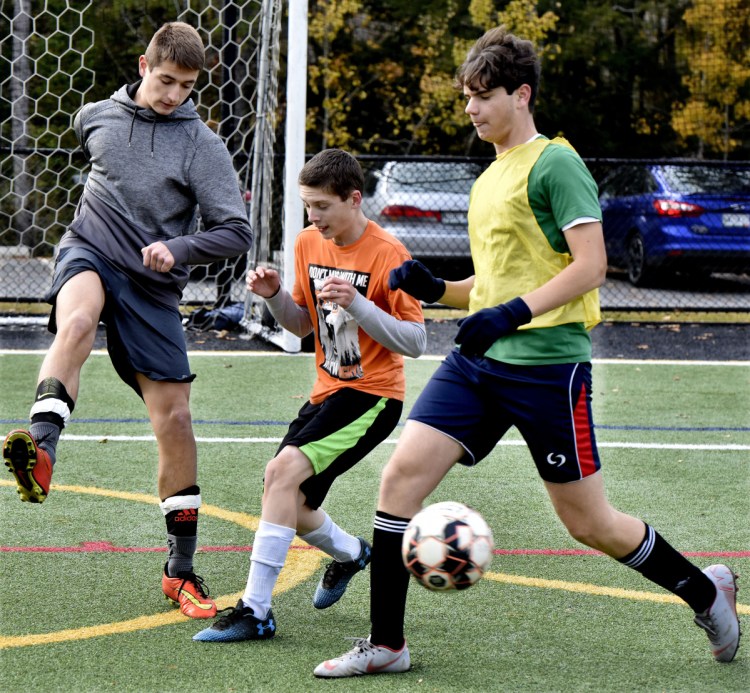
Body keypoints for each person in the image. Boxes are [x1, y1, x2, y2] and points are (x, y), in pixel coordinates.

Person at [314, 27, 741, 677]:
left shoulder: (556, 163)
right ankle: (388, 644)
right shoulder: (489, 178)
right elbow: (490, 286)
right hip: (478, 366)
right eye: (465, 98)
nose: (471, 109)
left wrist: (510, 313)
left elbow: (592, 266)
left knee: (589, 522)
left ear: (522, 94)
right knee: (399, 478)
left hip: (549, 368)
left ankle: (706, 591)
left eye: (483, 96)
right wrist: (440, 290)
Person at [2, 22, 253, 620]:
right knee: (79, 322)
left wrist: (180, 249)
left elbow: (236, 231)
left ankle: (181, 572)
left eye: (186, 86)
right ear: (144, 66)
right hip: (89, 250)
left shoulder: (202, 145)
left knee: (176, 418)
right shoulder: (96, 117)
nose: (174, 95)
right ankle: (40, 450)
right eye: (166, 80)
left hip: (153, 286)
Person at [192, 148, 426, 643]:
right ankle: (350, 554)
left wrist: (359, 303)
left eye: (322, 206)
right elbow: (302, 325)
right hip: (326, 391)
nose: (312, 217)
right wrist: (275, 294)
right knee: (286, 500)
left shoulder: (389, 254)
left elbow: (416, 342)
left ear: (354, 198)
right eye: (306, 206)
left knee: (279, 475)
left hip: (373, 396)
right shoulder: (306, 243)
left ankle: (255, 611)